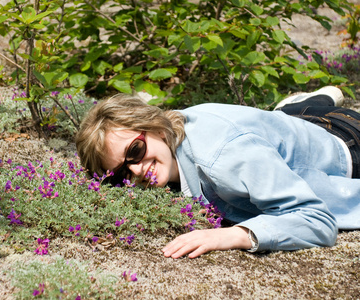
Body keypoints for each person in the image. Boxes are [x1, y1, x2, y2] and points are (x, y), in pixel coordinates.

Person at [75, 86, 360, 259]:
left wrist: (234, 235)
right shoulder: (167, 142)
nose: (136, 169)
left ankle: (311, 105)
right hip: (283, 125)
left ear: (157, 127)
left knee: (298, 122)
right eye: (120, 174)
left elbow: (317, 220)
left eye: (135, 151)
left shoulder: (225, 157)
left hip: (345, 140)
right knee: (283, 118)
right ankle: (300, 105)